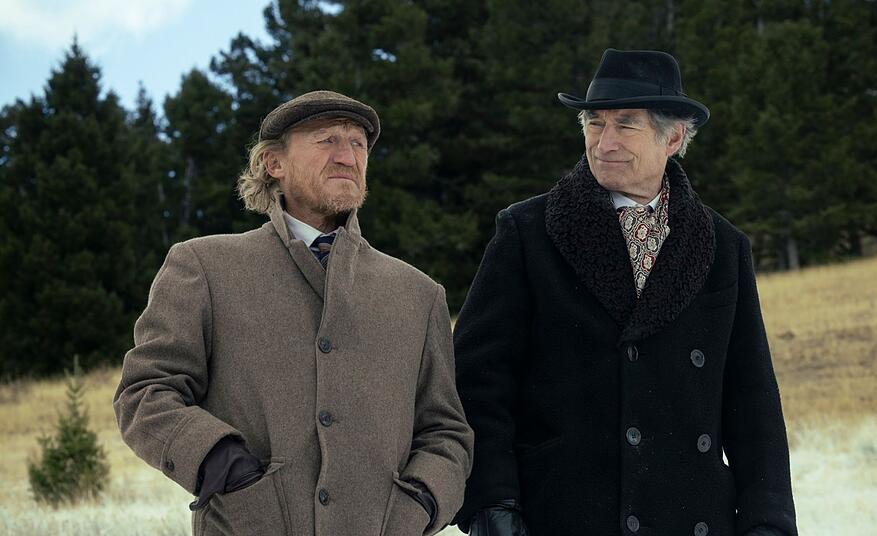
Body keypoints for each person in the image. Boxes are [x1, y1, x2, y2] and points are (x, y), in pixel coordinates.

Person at [453, 49, 797, 536]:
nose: (604, 142)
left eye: (626, 124)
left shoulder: (724, 247)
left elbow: (753, 400)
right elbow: (477, 380)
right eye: (594, 123)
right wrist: (493, 504)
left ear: (672, 138)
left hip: (691, 518)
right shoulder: (526, 232)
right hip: (560, 516)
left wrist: (769, 522)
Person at [114, 90, 473, 536]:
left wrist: (419, 502)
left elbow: (446, 433)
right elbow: (146, 392)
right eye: (327, 140)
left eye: (358, 144)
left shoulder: (419, 294)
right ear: (273, 163)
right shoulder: (204, 267)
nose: (347, 157)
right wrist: (219, 462)